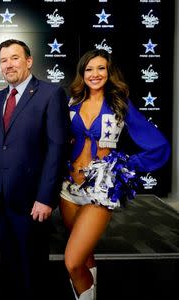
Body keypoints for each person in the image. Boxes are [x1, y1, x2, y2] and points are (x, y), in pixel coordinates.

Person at [0, 39, 70, 299]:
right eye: (4, 60)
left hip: (32, 201)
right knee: (8, 264)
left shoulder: (51, 94)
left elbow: (57, 149)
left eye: (14, 58)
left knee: (33, 267)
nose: (8, 65)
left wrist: (45, 197)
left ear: (29, 61)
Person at [59, 49, 170, 300]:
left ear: (109, 72)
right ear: (82, 74)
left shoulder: (120, 104)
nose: (94, 74)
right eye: (89, 69)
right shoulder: (72, 102)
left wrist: (124, 164)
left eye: (100, 68)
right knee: (85, 254)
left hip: (99, 190)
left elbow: (159, 145)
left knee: (72, 262)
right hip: (68, 189)